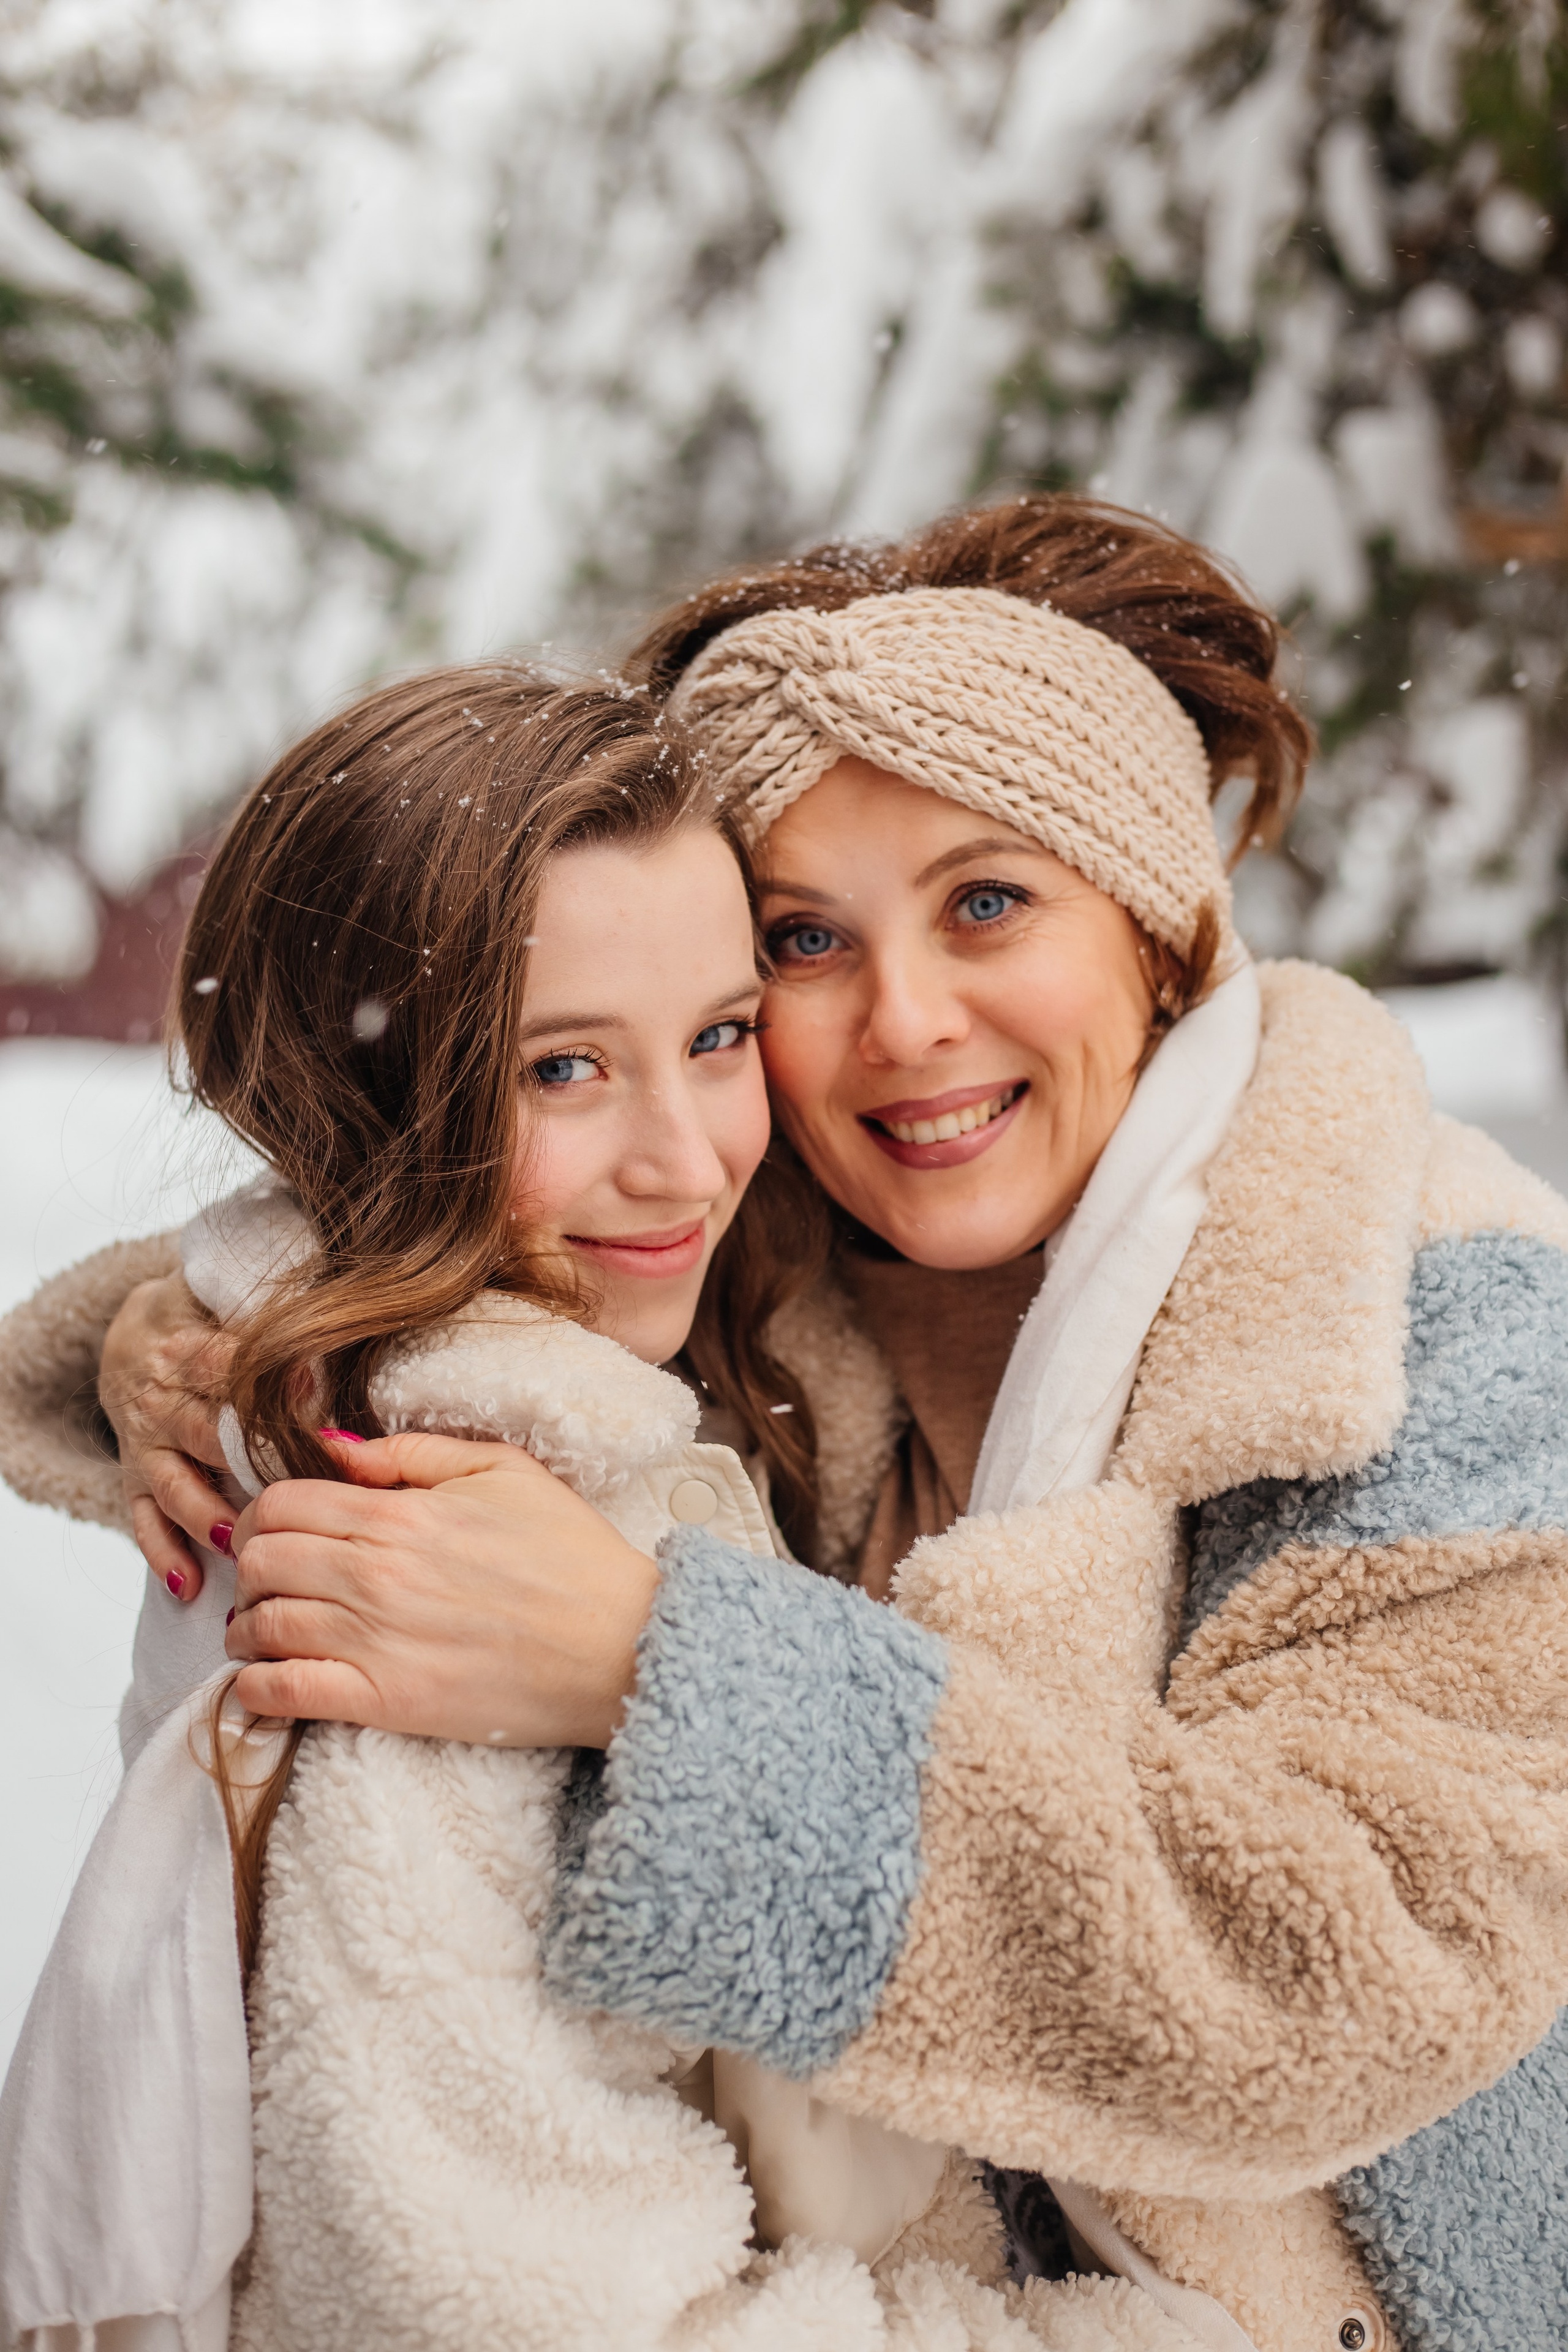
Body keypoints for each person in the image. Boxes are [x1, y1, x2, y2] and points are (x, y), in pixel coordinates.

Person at [7, 496, 1568, 2352]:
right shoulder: (777, 1241)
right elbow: (442, 1189)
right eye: (807, 944)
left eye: (989, 902)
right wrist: (180, 1343)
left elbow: (1347, 1970)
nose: (903, 1022)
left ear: (1161, 926)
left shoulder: (1441, 1330)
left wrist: (659, 1666)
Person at [4, 663, 1069, 2352]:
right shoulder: (439, 1547)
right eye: (563, 1070)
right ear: (358, 1102)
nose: (690, 1157)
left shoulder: (472, 1388)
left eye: (719, 1037)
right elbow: (507, 2305)